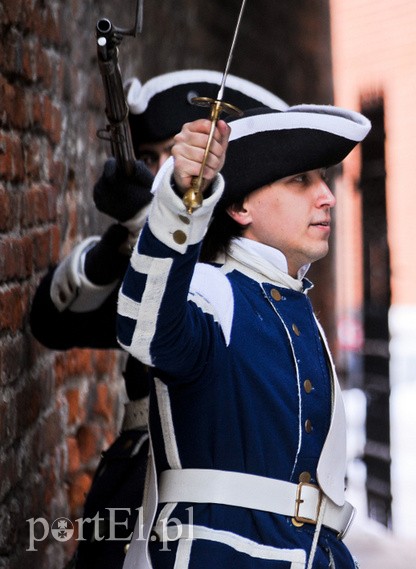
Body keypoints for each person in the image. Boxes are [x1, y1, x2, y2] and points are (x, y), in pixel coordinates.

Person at [28, 69, 288, 568]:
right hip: (132, 485)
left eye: (180, 154)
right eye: (150, 160)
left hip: (211, 501)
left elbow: (195, 282)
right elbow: (52, 322)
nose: (159, 175)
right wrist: (120, 242)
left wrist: (148, 220)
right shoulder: (135, 263)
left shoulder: (250, 274)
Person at [116, 104, 370, 568]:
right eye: (300, 181)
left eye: (324, 178)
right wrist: (180, 198)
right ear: (238, 206)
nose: (327, 196)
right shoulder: (213, 291)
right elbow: (145, 328)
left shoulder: (292, 300)